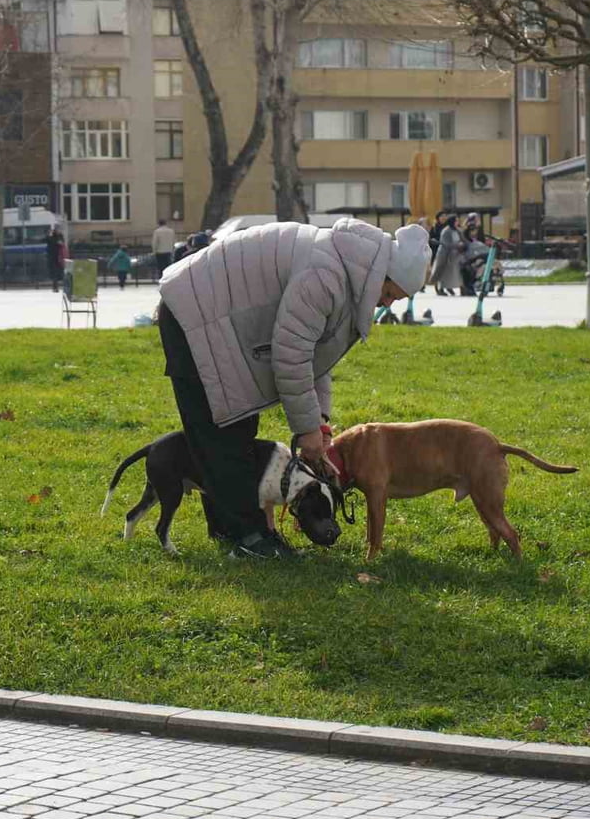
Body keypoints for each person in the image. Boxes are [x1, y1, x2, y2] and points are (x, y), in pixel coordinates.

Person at [156, 219, 430, 560]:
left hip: (217, 318)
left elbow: (316, 357)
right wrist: (306, 429)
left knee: (232, 430)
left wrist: (320, 424)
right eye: (389, 294)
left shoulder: (345, 269)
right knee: (222, 433)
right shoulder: (327, 275)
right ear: (380, 276)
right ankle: (251, 538)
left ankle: (232, 531)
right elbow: (291, 356)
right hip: (194, 314)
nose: (386, 305)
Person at [429, 214, 464, 296]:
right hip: (445, 254)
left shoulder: (458, 230)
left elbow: (463, 239)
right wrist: (457, 246)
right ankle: (440, 289)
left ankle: (453, 287)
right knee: (442, 272)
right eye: (456, 221)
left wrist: (464, 245)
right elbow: (446, 244)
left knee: (455, 273)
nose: (457, 222)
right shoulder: (446, 231)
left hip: (455, 255)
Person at [45, 227, 65, 293]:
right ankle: (55, 287)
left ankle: (59, 287)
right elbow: (48, 240)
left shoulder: (60, 236)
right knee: (55, 273)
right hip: (52, 257)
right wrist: (50, 235)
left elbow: (61, 243)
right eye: (57, 230)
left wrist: (59, 242)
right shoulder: (50, 237)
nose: (58, 231)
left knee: (60, 273)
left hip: (59, 257)